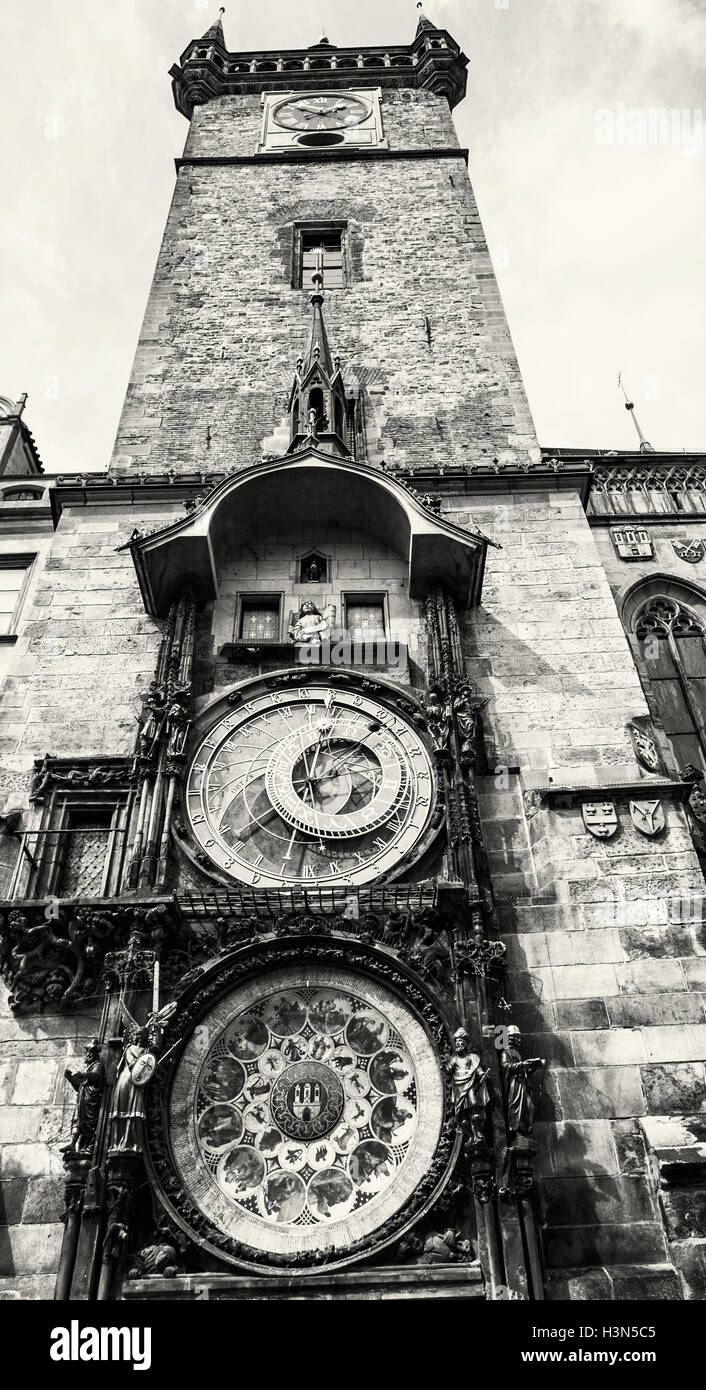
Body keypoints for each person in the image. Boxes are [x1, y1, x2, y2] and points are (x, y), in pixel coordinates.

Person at [445, 1027, 491, 1149]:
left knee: (474, 1106)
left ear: (465, 1044)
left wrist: (481, 1074)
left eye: (460, 1042)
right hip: (458, 1086)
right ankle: (470, 1135)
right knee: (462, 1115)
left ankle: (478, 1133)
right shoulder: (454, 1059)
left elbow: (477, 1068)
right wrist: (445, 1065)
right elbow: (449, 1070)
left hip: (470, 1084)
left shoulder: (471, 1057)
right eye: (456, 1042)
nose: (458, 1044)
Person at [62, 1038, 105, 1153]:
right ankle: (72, 1144)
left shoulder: (97, 1065)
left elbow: (96, 1076)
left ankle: (90, 1147)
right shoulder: (89, 1066)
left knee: (89, 1124)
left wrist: (84, 1074)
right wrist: (71, 1079)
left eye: (90, 1052)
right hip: (83, 1100)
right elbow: (80, 1087)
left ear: (95, 1054)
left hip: (91, 1101)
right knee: (78, 1122)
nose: (88, 1054)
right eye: (87, 1052)